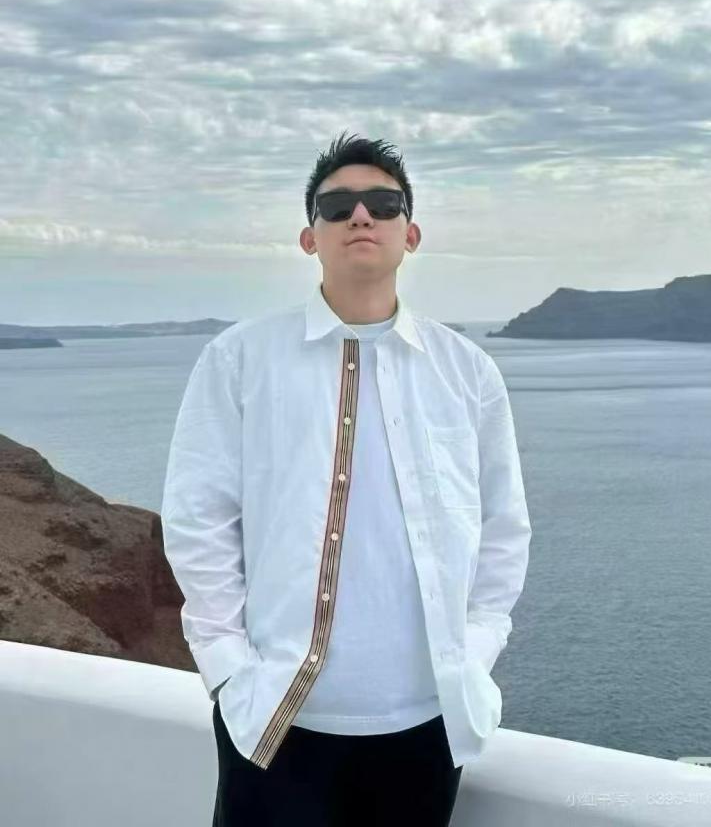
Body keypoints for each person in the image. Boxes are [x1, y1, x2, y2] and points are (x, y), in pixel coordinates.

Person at [161, 131, 532, 826]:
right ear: (311, 239)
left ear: (410, 234)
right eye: (337, 207)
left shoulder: (467, 371)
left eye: (383, 204)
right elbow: (198, 518)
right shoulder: (239, 360)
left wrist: (475, 650)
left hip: (428, 724)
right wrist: (231, 669)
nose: (361, 216)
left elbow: (504, 526)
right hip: (277, 718)